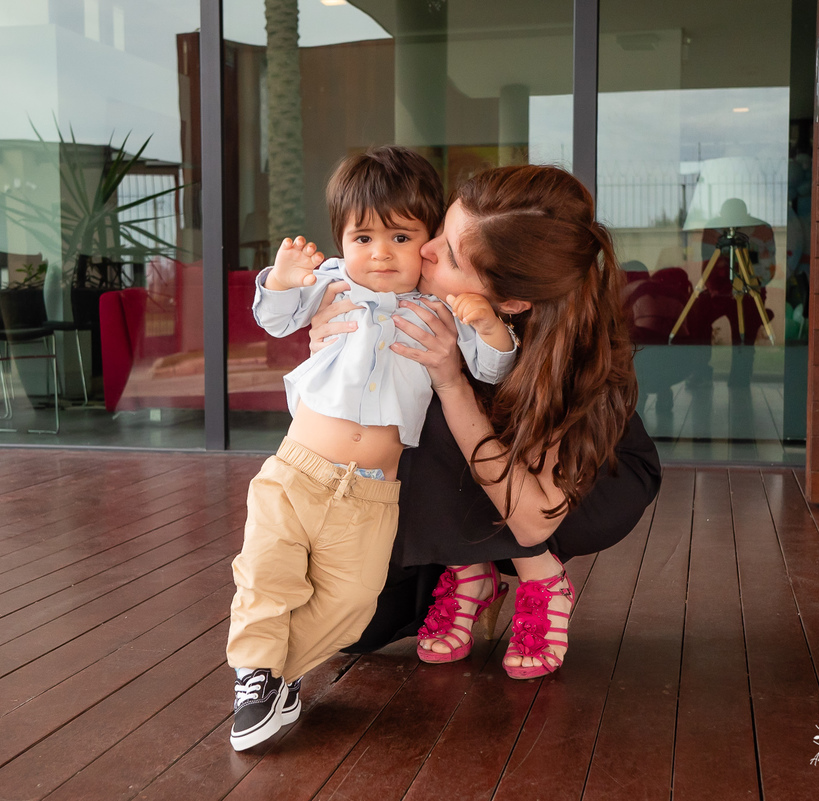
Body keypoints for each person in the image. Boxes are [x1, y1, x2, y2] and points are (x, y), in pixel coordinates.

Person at [308, 164, 662, 680]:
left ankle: (540, 580)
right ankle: (469, 570)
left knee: (439, 404)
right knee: (354, 630)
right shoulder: (411, 291)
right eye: (440, 229)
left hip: (572, 493)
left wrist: (452, 382)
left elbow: (533, 519)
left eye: (451, 255)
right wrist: (332, 342)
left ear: (511, 303)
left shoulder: (566, 354)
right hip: (452, 493)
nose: (427, 249)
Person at [226, 146, 519, 750]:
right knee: (265, 574)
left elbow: (492, 367)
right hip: (297, 471)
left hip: (371, 494)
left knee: (355, 602)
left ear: (428, 243)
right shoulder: (330, 283)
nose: (380, 253)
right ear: (342, 241)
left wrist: (489, 326)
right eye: (363, 238)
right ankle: (254, 674)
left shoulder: (441, 310)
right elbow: (274, 318)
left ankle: (276, 676)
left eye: (400, 237)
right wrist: (281, 278)